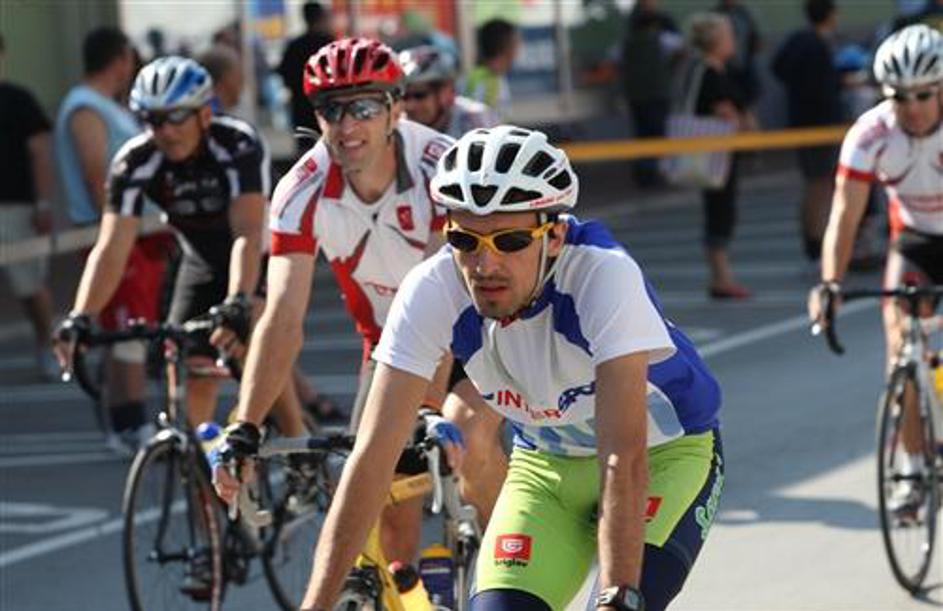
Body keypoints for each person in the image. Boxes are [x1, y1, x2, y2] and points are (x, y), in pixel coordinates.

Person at [290, 125, 724, 611]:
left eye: (511, 240)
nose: (484, 265)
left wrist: (617, 595)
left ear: (555, 235)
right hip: (546, 467)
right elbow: (372, 458)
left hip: (665, 456)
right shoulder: (432, 288)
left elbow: (623, 457)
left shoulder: (603, 276)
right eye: (465, 239)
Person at [211, 38, 459, 565]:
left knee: (473, 447)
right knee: (385, 506)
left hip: (467, 337)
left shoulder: (442, 168)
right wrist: (246, 425)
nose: (346, 126)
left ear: (395, 108)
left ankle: (505, 575)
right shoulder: (300, 190)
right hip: (389, 347)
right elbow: (281, 317)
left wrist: (426, 407)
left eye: (364, 108)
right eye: (330, 109)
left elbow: (441, 301)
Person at [53, 56, 305, 440]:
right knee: (186, 364)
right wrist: (82, 316)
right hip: (200, 261)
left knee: (253, 333)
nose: (165, 131)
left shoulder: (236, 143)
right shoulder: (135, 160)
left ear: (204, 114)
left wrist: (238, 300)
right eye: (153, 120)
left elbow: (248, 233)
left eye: (176, 117)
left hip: (261, 253)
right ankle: (198, 466)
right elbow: (112, 245)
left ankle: (294, 437)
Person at [809, 24, 943, 513]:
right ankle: (912, 466)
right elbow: (845, 214)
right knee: (900, 344)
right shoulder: (871, 134)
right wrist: (830, 282)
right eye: (899, 96)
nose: (912, 106)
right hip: (914, 241)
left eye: (924, 94)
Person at [399, 43, 507, 522]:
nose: (412, 104)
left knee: (467, 430)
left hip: (481, 287)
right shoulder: (398, 137)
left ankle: (504, 540)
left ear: (446, 93)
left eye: (421, 94)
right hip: (428, 287)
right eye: (404, 95)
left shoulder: (476, 123)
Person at [53, 26, 167, 449]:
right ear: (120, 58)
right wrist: (118, 231)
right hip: (116, 233)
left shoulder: (106, 106)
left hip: (138, 233)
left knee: (130, 329)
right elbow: (95, 175)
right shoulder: (84, 108)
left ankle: (125, 421)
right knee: (127, 330)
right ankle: (130, 423)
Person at [0, 33, 57, 379]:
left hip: (16, 206)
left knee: (30, 285)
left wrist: (43, 204)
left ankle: (48, 345)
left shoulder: (19, 100)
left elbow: (40, 154)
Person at [772, 0, 843, 267]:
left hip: (804, 122)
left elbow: (778, 67)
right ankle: (816, 242)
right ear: (829, 15)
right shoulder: (816, 44)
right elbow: (821, 88)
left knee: (814, 183)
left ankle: (812, 240)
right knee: (820, 184)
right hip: (818, 124)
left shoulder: (799, 40)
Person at [688, 12, 753, 299]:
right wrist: (744, 124)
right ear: (715, 41)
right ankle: (721, 277)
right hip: (715, 154)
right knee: (720, 211)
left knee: (720, 209)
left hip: (718, 154)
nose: (733, 41)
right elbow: (723, 111)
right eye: (728, 36)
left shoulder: (709, 70)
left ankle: (721, 276)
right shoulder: (710, 73)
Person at [620, 0, 684, 189]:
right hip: (657, 93)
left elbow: (616, 60)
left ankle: (643, 174)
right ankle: (656, 172)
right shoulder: (662, 39)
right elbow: (681, 49)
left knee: (642, 134)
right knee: (658, 134)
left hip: (636, 95)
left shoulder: (628, 42)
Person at [399, 45, 499, 139]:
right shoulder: (398, 125)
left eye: (419, 95)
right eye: (404, 96)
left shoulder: (476, 120)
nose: (410, 105)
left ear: (446, 91)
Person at [277, 1, 333, 141]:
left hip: (301, 109)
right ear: (321, 17)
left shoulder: (294, 46)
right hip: (328, 108)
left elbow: (284, 74)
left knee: (306, 147)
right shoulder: (329, 45)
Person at [463, 19, 520, 118]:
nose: (519, 47)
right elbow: (480, 122)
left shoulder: (493, 77)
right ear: (507, 46)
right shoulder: (487, 81)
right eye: (516, 42)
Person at [714, 0, 762, 108]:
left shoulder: (745, 14)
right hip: (726, 69)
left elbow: (756, 40)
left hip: (744, 68)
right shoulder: (716, 15)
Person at [198, 44, 245, 115]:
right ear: (226, 78)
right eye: (239, 76)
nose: (242, 84)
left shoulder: (201, 111)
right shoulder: (211, 116)